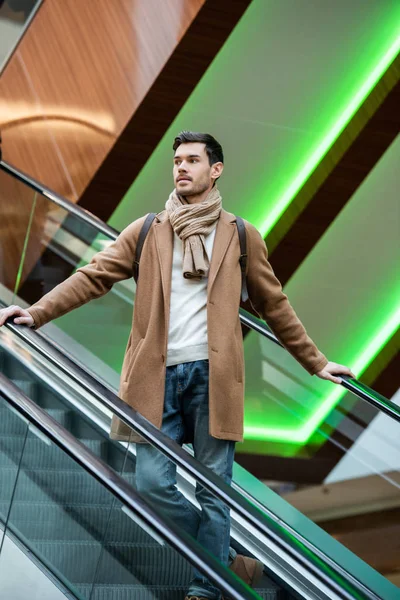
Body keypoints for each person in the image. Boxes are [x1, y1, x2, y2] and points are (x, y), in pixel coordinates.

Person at [0, 131, 355, 600]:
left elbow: (275, 304)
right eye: (177, 161)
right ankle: (226, 562)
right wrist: (37, 311)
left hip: (214, 380)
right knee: (151, 484)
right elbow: (93, 276)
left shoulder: (241, 235)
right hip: (156, 378)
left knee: (215, 492)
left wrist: (316, 362)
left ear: (216, 169)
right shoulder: (148, 230)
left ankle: (207, 588)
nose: (181, 168)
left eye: (192, 160)